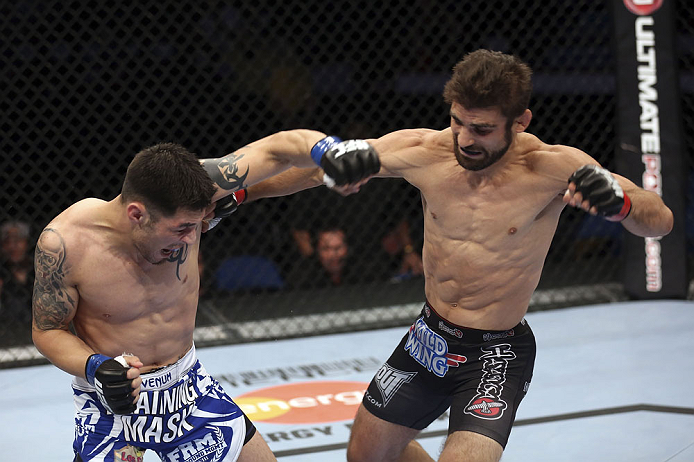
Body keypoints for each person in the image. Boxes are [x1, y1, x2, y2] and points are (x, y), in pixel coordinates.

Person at [243, 49, 673, 461]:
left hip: (497, 351)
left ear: (519, 121)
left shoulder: (553, 168)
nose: (465, 139)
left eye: (482, 129)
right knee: (365, 454)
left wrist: (622, 205)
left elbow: (660, 219)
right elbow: (315, 170)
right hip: (430, 336)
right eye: (458, 123)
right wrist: (240, 194)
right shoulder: (426, 151)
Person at [31, 131, 379, 462]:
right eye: (181, 228)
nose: (190, 239)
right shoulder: (66, 243)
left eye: (195, 225)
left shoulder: (195, 192)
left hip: (187, 388)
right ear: (136, 214)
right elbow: (47, 330)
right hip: (112, 400)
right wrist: (97, 368)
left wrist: (330, 152)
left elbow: (279, 150)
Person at [0, 220, 34, 344]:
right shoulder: (2, 271)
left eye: (18, 240)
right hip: (7, 334)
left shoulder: (38, 268)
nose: (13, 246)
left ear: (26, 242)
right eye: (7, 241)